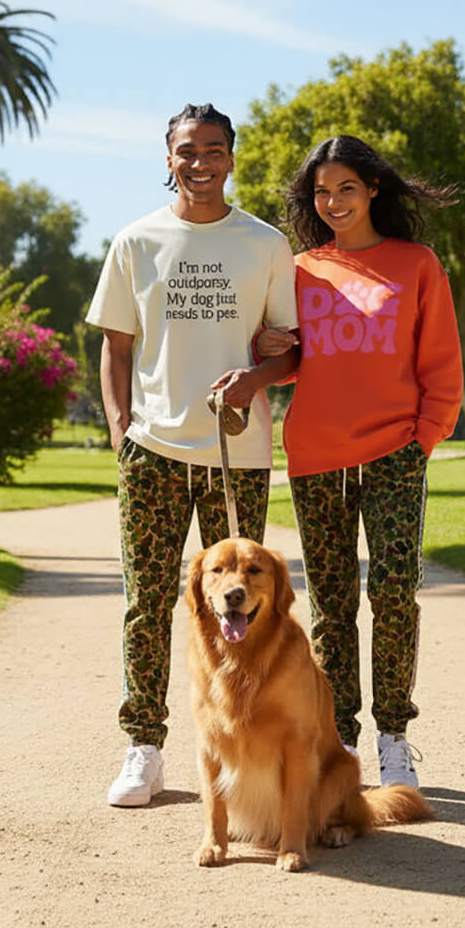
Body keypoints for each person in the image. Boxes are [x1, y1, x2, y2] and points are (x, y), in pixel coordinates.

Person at [87, 103, 298, 808]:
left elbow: (291, 348)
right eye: (187, 151)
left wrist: (258, 378)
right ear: (168, 157)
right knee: (146, 603)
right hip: (152, 452)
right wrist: (123, 432)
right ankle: (144, 747)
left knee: (238, 611)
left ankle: (240, 748)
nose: (200, 162)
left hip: (238, 453)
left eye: (213, 150)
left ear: (232, 157)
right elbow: (115, 347)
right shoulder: (136, 241)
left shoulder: (266, 244)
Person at [256, 135, 463, 789]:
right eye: (321, 191)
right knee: (331, 607)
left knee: (395, 595)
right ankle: (338, 740)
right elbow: (290, 360)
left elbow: (441, 366)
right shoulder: (300, 269)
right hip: (316, 457)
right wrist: (267, 350)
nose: (333, 201)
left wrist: (421, 441)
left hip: (394, 456)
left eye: (346, 187)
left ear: (373, 188)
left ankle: (393, 735)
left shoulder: (416, 264)